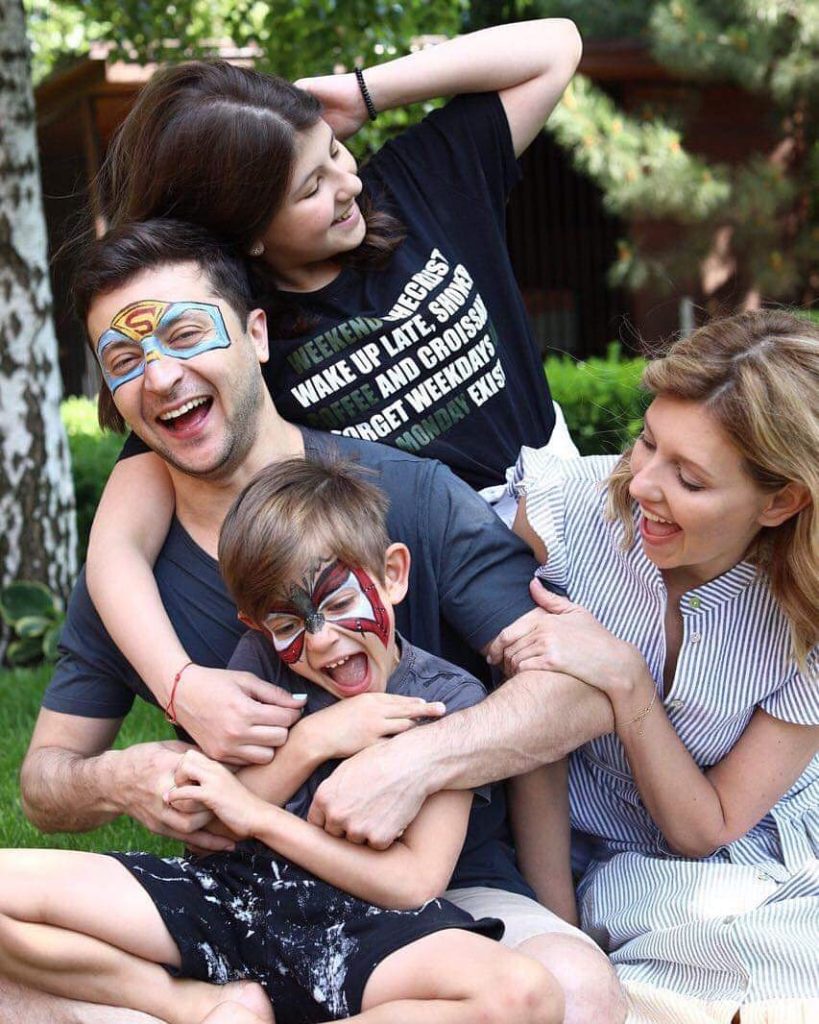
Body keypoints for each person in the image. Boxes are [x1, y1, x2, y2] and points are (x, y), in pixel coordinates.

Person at [11, 219, 623, 1023]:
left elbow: (577, 690)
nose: (159, 378)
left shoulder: (406, 498)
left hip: (444, 903)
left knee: (571, 995)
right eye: (124, 361)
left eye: (186, 336)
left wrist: (416, 760)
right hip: (242, 899)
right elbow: (45, 784)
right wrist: (118, 779)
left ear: (256, 333)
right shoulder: (126, 571)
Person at [82, 18, 584, 765]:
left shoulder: (415, 186)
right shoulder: (236, 342)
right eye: (311, 186)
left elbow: (556, 47)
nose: (346, 183)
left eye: (335, 154)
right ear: (248, 233)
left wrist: (360, 95)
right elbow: (116, 548)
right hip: (449, 574)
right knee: (560, 760)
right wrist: (179, 686)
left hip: (576, 513)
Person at [0, 456, 567, 1024]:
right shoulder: (266, 662)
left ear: (393, 574)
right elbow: (213, 827)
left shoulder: (445, 699)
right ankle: (196, 1005)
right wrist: (311, 740)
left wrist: (261, 819)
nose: (319, 641)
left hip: (368, 930)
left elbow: (414, 882)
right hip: (234, 900)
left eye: (338, 603)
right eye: (289, 624)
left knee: (523, 994)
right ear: (258, 626)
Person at [502, 310, 819, 1019]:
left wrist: (627, 682)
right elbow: (526, 738)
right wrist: (560, 932)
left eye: (690, 479)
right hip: (613, 875)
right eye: (646, 440)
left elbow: (708, 827)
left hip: (764, 856)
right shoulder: (561, 517)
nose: (641, 484)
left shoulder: (807, 614)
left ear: (780, 501)